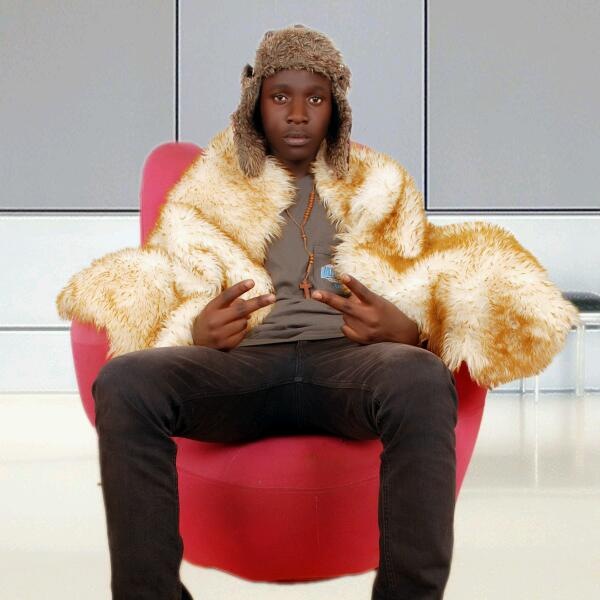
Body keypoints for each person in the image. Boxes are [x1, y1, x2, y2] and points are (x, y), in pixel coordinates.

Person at [56, 24, 577, 600]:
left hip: (349, 361)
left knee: (422, 377)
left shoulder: (381, 184)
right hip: (240, 363)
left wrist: (408, 331)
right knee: (126, 382)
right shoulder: (209, 189)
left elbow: (422, 272)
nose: (298, 114)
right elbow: (172, 271)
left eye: (316, 98)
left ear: (337, 108)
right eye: (281, 96)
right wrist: (195, 329)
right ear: (256, 103)